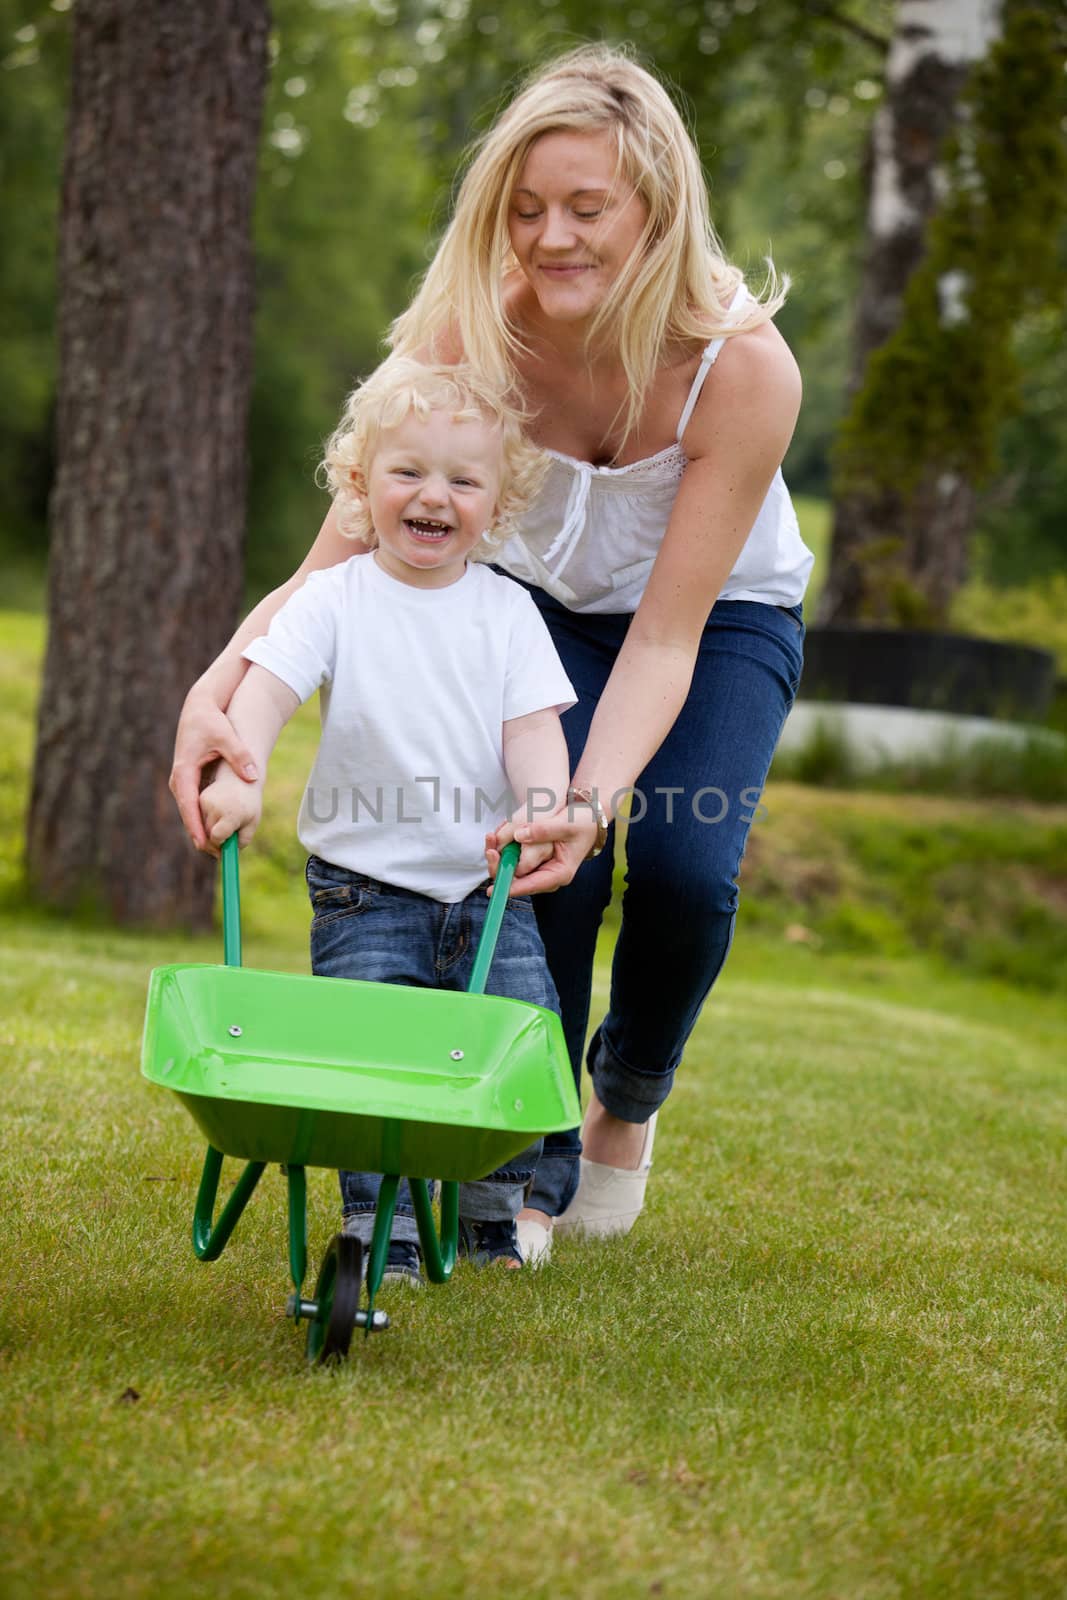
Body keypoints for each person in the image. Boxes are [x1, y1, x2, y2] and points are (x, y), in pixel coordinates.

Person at [171, 45, 811, 1266]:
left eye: (586, 210)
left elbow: (666, 636)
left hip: (714, 615)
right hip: (526, 603)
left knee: (680, 866)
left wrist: (590, 794)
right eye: (525, 211)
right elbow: (329, 568)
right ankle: (518, 1159)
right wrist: (218, 684)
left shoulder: (741, 369)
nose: (550, 239)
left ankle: (625, 1096)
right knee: (531, 865)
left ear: (657, 211)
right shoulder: (465, 332)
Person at [198, 359, 576, 1280]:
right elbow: (268, 691)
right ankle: (384, 1229)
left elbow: (532, 733)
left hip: (488, 891)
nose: (433, 497)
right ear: (360, 482)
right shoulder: (334, 598)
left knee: (517, 1039)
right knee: (369, 1069)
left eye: (463, 479)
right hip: (365, 893)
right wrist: (242, 775)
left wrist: (541, 807)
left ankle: (490, 1214)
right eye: (408, 471)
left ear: (500, 500)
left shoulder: (508, 613)